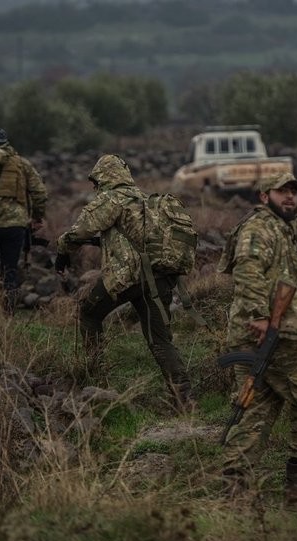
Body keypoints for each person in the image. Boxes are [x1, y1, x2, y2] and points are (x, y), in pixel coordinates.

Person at [217, 159, 297, 502]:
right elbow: (248, 270)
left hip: (261, 334)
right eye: (282, 191)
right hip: (272, 335)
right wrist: (258, 316)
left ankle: (235, 487)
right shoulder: (259, 229)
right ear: (263, 195)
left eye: (294, 192)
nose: (290, 198)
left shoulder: (280, 229)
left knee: (256, 408)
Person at [55, 153, 195, 411]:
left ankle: (94, 381)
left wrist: (62, 250)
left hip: (126, 277)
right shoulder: (145, 200)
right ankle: (185, 400)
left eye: (96, 182)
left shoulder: (110, 199)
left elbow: (80, 231)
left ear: (102, 178)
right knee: (160, 340)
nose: (95, 188)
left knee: (89, 314)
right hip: (159, 279)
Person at [0, 127, 47, 313]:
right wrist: (37, 217)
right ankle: (8, 313)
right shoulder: (22, 163)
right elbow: (40, 192)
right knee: (9, 269)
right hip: (16, 224)